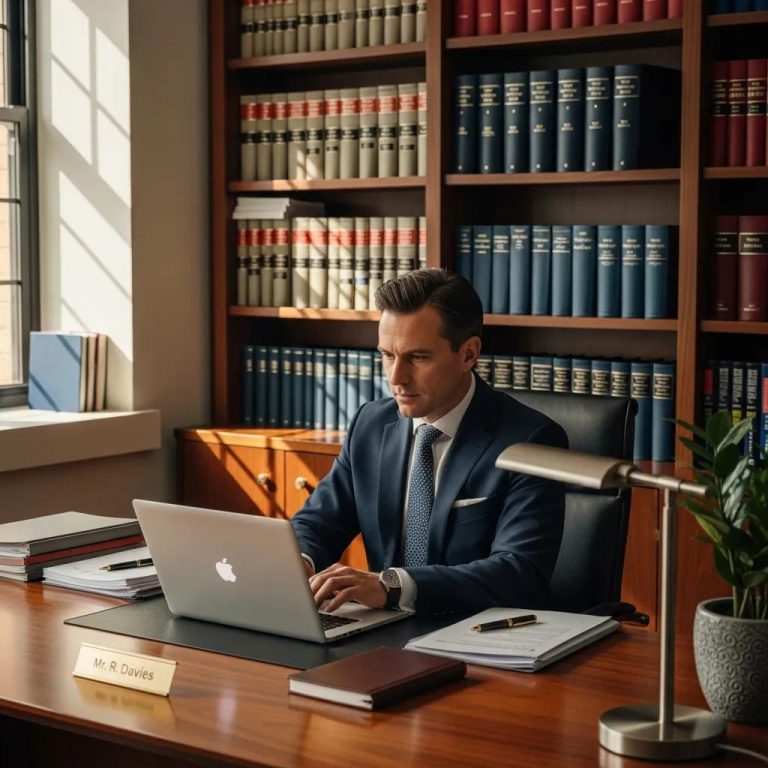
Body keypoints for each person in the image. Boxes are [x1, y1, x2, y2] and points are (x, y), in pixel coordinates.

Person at [291, 268, 567, 615]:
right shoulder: (371, 425)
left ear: (468, 354)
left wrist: (391, 586)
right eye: (387, 355)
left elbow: (518, 572)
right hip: (380, 632)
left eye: (417, 357)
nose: (396, 378)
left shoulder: (531, 441)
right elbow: (317, 523)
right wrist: (300, 563)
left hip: (475, 636)